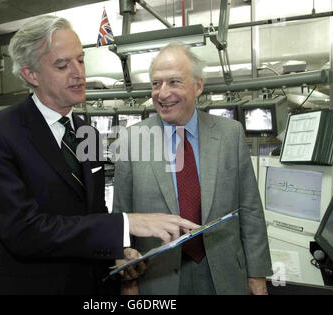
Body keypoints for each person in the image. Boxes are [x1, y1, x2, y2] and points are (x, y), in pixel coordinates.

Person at [0, 17, 199, 295]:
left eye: (80, 60)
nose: (79, 73)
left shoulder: (86, 131)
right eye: (63, 65)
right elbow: (23, 232)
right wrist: (127, 223)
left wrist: (117, 251)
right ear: (31, 75)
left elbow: (93, 212)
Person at [113, 44, 273, 295]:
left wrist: (257, 273)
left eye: (174, 82)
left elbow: (250, 209)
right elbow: (121, 217)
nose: (162, 93)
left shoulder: (230, 134)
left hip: (223, 274)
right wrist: (128, 280)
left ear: (198, 86)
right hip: (157, 278)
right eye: (156, 84)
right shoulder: (131, 141)